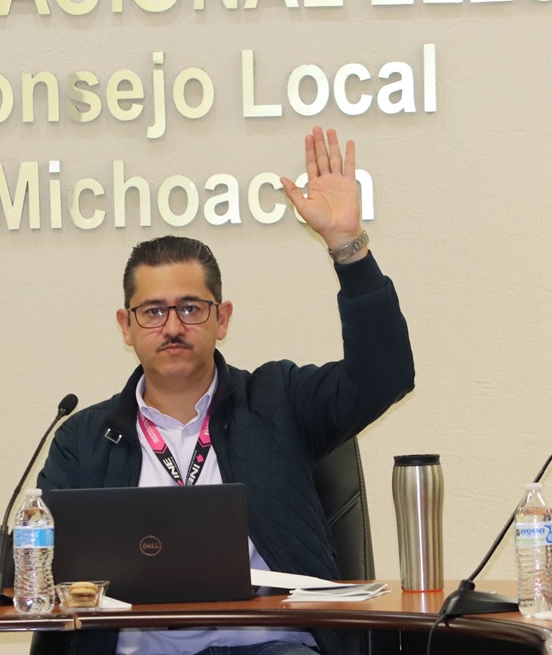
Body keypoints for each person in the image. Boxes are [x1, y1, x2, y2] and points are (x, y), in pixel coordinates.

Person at [34, 127, 415, 655]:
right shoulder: (83, 438)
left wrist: (348, 247)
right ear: (126, 326)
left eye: (191, 308)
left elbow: (384, 375)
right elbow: (36, 563)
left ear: (223, 318)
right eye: (153, 311)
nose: (173, 326)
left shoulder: (280, 400)